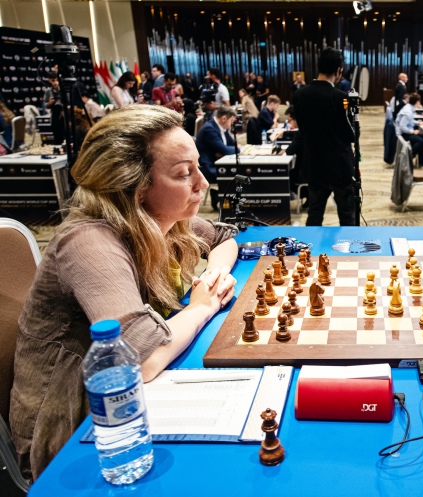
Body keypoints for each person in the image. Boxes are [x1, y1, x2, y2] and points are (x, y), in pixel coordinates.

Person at [10, 105, 239, 481]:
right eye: (184, 174)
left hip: (130, 400)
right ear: (134, 186)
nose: (203, 183)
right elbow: (141, 359)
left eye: (198, 167)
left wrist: (213, 273)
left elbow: (225, 237)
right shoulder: (88, 241)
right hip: (77, 431)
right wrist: (203, 305)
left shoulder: (161, 219)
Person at [293, 47, 356, 226]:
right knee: (346, 214)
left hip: (314, 163)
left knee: (315, 212)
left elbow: (302, 130)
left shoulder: (299, 95)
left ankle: (311, 252)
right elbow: (350, 135)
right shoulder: (341, 98)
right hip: (340, 166)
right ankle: (350, 252)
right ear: (338, 70)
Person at [195, 105, 238, 210]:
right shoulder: (209, 129)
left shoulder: (222, 128)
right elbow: (227, 150)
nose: (232, 123)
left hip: (218, 163)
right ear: (224, 118)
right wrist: (232, 150)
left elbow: (231, 146)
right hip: (207, 167)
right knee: (237, 173)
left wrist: (228, 150)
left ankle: (220, 195)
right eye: (231, 120)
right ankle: (220, 197)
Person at [395, 93, 423, 166]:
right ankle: (408, 157)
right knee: (421, 141)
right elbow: (403, 127)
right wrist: (413, 131)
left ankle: (422, 162)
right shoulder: (408, 112)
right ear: (417, 102)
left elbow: (409, 121)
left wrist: (418, 123)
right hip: (403, 134)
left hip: (406, 132)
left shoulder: (409, 107)